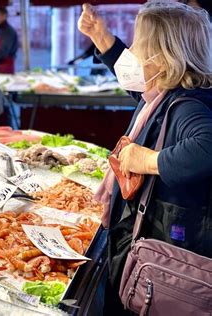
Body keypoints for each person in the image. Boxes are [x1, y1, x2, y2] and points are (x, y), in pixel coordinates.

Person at [78, 2, 212, 314]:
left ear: (163, 59)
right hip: (150, 262)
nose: (133, 52)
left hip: (166, 273)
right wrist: (101, 37)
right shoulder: (163, 95)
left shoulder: (190, 106)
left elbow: (207, 146)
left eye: (139, 44)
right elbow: (139, 92)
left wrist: (146, 160)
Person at [0, 7, 19, 74]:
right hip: (0, 66)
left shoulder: (7, 31)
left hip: (5, 68)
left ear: (4, 16)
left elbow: (2, 53)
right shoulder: (1, 30)